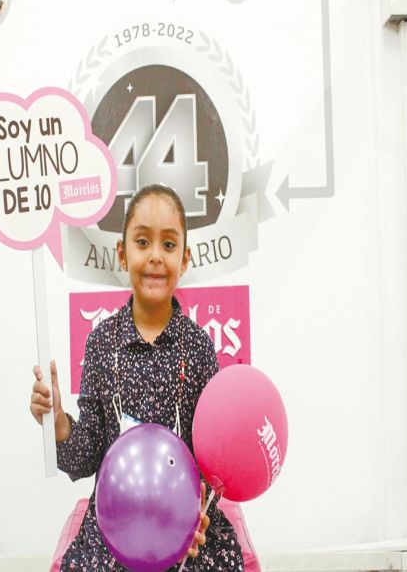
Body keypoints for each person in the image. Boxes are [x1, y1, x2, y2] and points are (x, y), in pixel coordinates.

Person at [29, 184, 245, 571]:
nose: (155, 256)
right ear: (122, 253)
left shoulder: (198, 347)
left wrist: (196, 514)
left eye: (169, 244)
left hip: (184, 521)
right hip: (115, 524)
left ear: (185, 259)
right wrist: (58, 421)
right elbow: (87, 455)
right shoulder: (101, 343)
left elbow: (210, 459)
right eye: (143, 242)